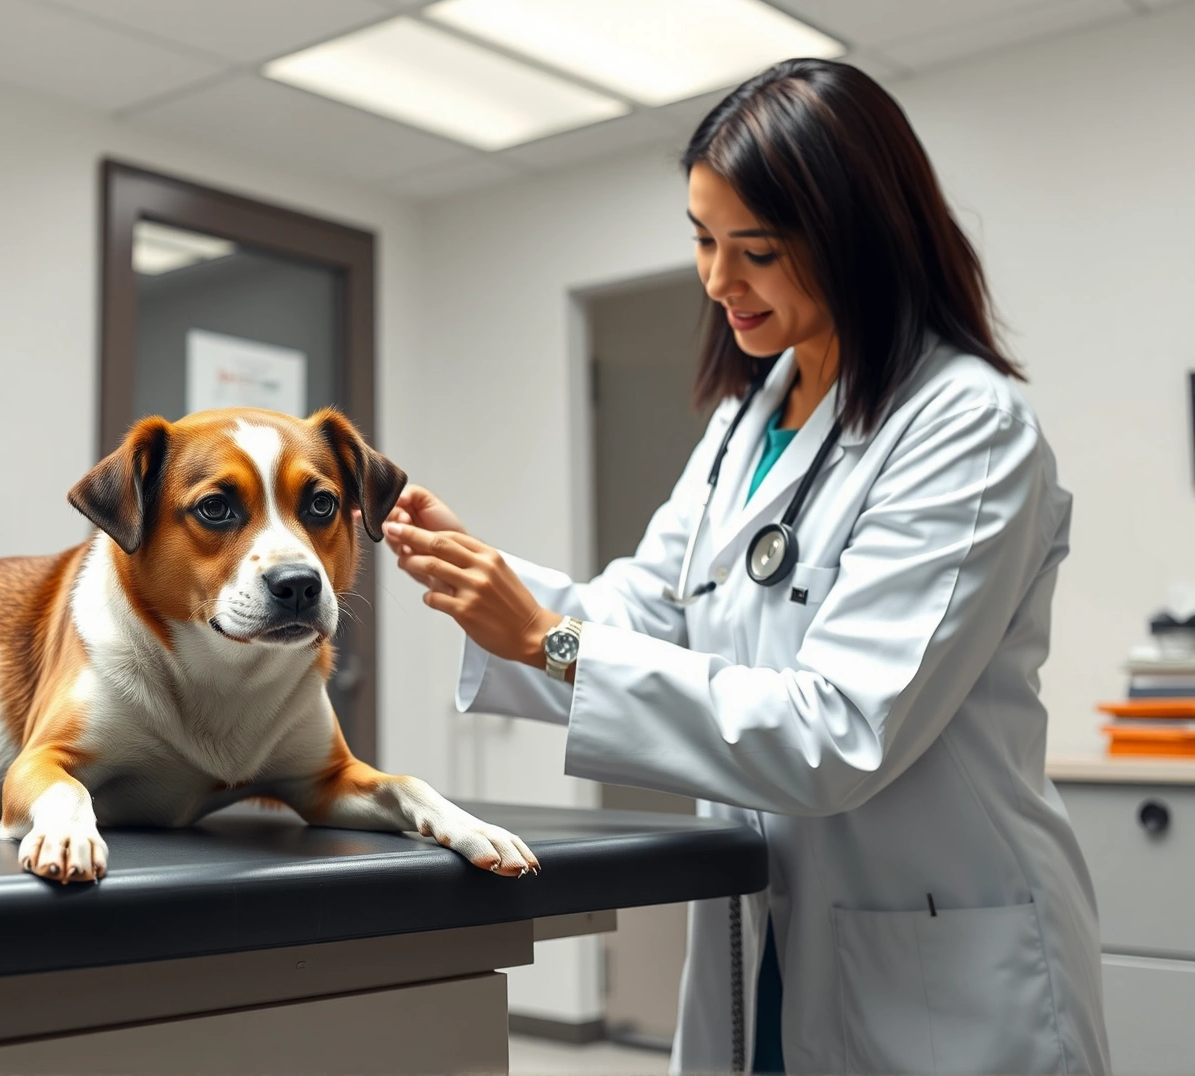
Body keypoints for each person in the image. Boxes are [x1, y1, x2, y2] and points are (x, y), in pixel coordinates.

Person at [386, 60, 1108, 1075]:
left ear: (857, 240)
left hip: (933, 946)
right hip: (768, 941)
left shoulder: (969, 429)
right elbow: (642, 611)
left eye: (754, 250)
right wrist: (485, 585)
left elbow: (838, 731)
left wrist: (549, 643)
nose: (719, 281)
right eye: (702, 239)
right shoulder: (747, 422)